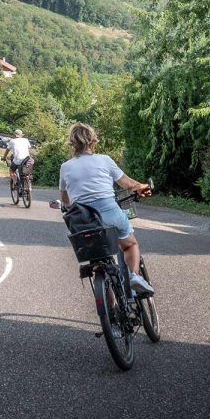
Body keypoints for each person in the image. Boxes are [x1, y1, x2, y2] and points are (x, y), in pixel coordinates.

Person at [57, 122, 156, 296]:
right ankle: (135, 277)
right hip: (110, 211)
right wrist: (143, 186)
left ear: (72, 144)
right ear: (92, 143)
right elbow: (128, 184)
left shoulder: (65, 167)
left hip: (84, 221)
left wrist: (67, 206)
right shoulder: (104, 160)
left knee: (97, 262)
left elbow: (66, 200)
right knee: (130, 245)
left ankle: (109, 309)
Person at [1, 129, 33, 196]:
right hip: (27, 159)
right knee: (26, 173)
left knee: (11, 170)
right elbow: (29, 149)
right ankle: (29, 187)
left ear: (14, 135)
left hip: (18, 160)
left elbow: (7, 151)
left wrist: (4, 157)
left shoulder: (12, 141)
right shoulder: (26, 140)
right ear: (21, 135)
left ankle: (15, 182)